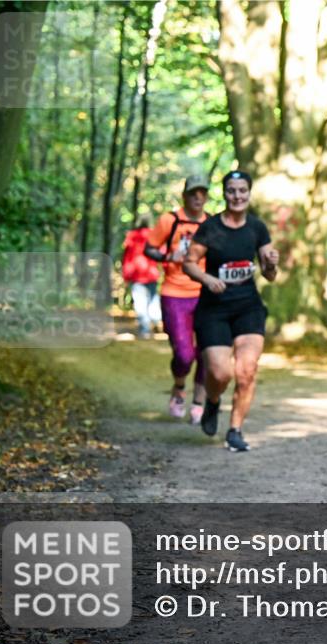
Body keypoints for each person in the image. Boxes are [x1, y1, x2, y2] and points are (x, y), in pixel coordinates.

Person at [183, 170, 279, 453]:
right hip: (214, 310)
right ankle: (213, 402)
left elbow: (270, 273)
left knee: (246, 371)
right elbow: (188, 262)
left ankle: (235, 430)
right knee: (220, 372)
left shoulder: (257, 228)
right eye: (231, 191)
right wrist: (207, 279)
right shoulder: (211, 228)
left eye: (242, 191)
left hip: (248, 307)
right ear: (224, 194)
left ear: (249, 193)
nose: (237, 196)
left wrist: (272, 263)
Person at [146, 175, 210, 424]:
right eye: (193, 193)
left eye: (202, 192)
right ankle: (179, 388)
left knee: (207, 351)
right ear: (185, 195)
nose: (198, 197)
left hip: (204, 294)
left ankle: (198, 402)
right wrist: (167, 256)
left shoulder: (212, 223)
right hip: (174, 294)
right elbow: (149, 248)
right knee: (184, 354)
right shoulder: (169, 220)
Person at [121, 214, 162, 338]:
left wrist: (126, 275)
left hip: (137, 275)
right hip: (151, 273)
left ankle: (145, 330)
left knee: (140, 303)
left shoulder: (132, 236)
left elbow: (127, 257)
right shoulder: (153, 234)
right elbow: (161, 253)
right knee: (153, 300)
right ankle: (156, 321)